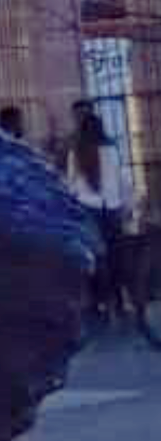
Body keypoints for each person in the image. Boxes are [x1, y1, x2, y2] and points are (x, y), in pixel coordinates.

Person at [64, 100, 134, 321]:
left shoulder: (75, 152)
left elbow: (71, 186)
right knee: (116, 255)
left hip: (88, 209)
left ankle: (100, 303)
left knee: (95, 257)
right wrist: (127, 206)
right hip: (112, 208)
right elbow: (124, 180)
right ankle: (120, 300)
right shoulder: (112, 150)